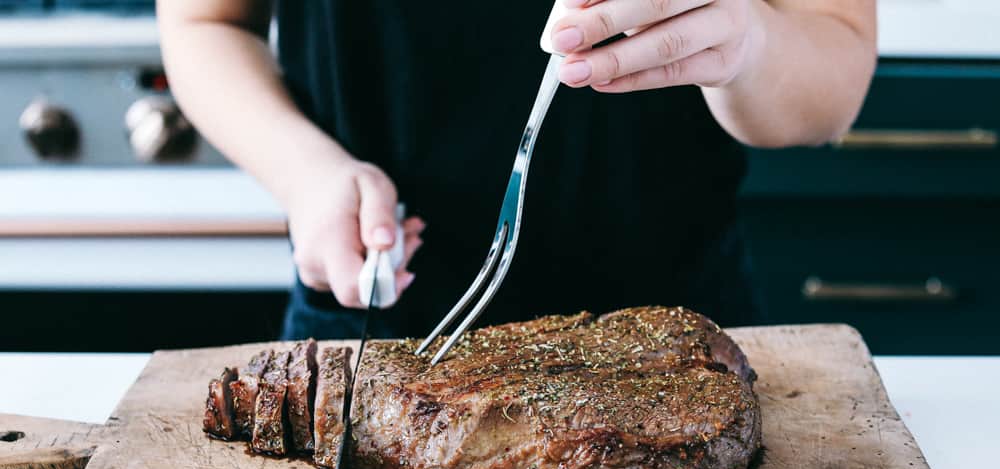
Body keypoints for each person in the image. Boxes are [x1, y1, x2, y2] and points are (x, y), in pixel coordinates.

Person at [158, 0, 876, 340]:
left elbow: (834, 68)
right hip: (373, 320)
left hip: (677, 337)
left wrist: (744, 40)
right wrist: (305, 171)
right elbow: (206, 22)